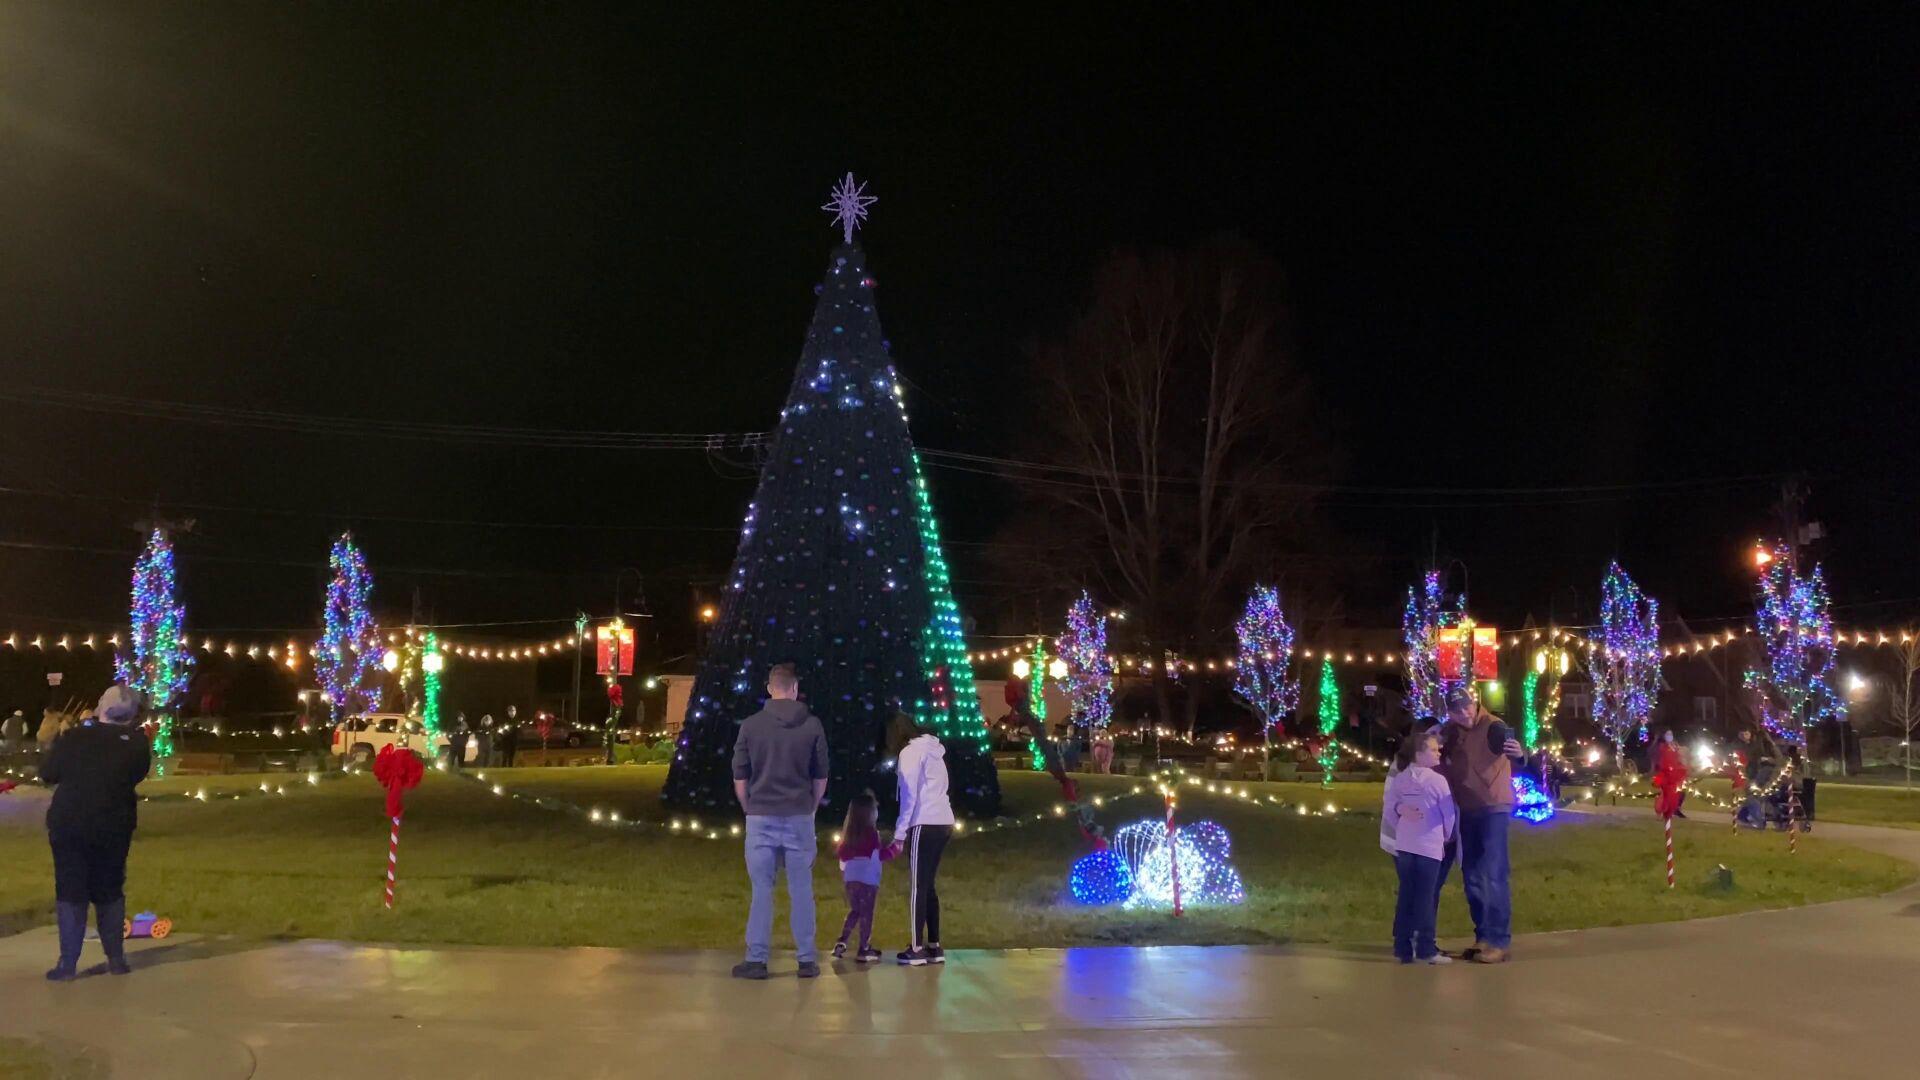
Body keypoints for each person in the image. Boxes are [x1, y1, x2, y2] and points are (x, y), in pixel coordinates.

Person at [40, 686, 152, 981]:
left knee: (70, 889)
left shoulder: (74, 738)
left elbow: (48, 773)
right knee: (110, 888)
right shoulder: (138, 744)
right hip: (113, 824)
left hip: (70, 822)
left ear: (101, 706)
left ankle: (67, 963)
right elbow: (135, 774)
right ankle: (116, 959)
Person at [729, 663, 829, 980]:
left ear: (770, 688)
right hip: (799, 815)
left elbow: (740, 775)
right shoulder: (812, 725)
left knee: (762, 890)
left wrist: (749, 807)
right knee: (802, 889)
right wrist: (810, 806)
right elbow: (821, 774)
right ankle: (806, 960)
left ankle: (756, 960)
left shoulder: (750, 725)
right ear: (795, 688)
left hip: (761, 815)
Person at [1437, 687, 1522, 964]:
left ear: (1476, 703)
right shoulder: (1450, 732)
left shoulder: (1493, 727)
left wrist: (1521, 754)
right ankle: (1483, 936)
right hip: (1466, 809)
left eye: (1468, 706)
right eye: (1457, 710)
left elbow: (1514, 750)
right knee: (1472, 874)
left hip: (1492, 808)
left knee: (1494, 873)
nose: (1465, 713)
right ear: (1449, 712)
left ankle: (1499, 941)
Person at [1381, 728, 1456, 964]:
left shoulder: (1401, 779)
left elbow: (1390, 809)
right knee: (1425, 896)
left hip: (1405, 846)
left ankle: (1402, 947)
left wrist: (1402, 823)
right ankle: (1425, 948)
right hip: (1428, 847)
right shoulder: (1438, 781)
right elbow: (1449, 814)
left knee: (1406, 895)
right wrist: (1444, 835)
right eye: (1433, 750)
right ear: (1418, 753)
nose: (1438, 753)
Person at [889, 710, 954, 966]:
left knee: (918, 886)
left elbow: (909, 796)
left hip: (923, 822)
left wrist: (899, 833)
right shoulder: (935, 751)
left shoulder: (910, 753)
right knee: (928, 884)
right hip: (943, 820)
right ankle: (934, 945)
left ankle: (916, 948)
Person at [832, 792, 901, 963]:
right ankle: (864, 948)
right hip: (868, 880)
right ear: (870, 813)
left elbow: (842, 854)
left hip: (850, 879)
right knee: (866, 914)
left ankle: (842, 941)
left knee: (855, 911)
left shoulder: (848, 834)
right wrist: (894, 849)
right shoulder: (871, 834)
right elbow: (877, 856)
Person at [1652, 729, 1689, 819]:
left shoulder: (1674, 747)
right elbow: (1661, 760)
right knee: (1665, 793)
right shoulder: (1662, 747)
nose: (1670, 736)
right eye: (1668, 734)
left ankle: (1674, 809)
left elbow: (1679, 757)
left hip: (1674, 774)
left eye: (1671, 734)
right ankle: (1662, 811)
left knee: (1679, 792)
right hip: (1665, 774)